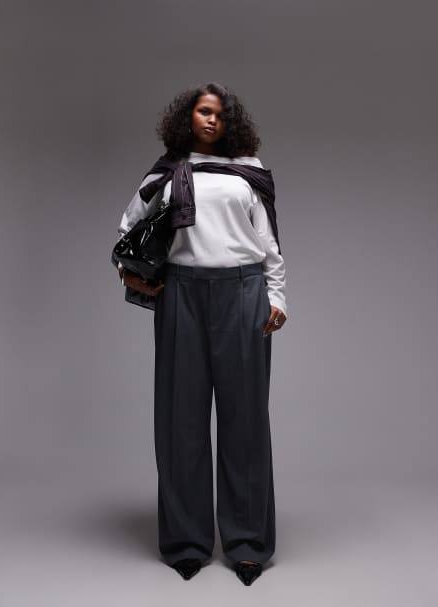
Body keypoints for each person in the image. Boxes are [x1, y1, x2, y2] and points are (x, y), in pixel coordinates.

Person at [114, 82, 287, 586]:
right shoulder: (167, 172)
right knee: (180, 421)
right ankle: (186, 543)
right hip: (182, 295)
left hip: (243, 292)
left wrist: (278, 297)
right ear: (186, 117)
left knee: (246, 421)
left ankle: (248, 545)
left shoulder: (249, 171)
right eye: (203, 111)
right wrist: (129, 272)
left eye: (219, 114)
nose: (211, 120)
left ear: (231, 122)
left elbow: (268, 244)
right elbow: (129, 228)